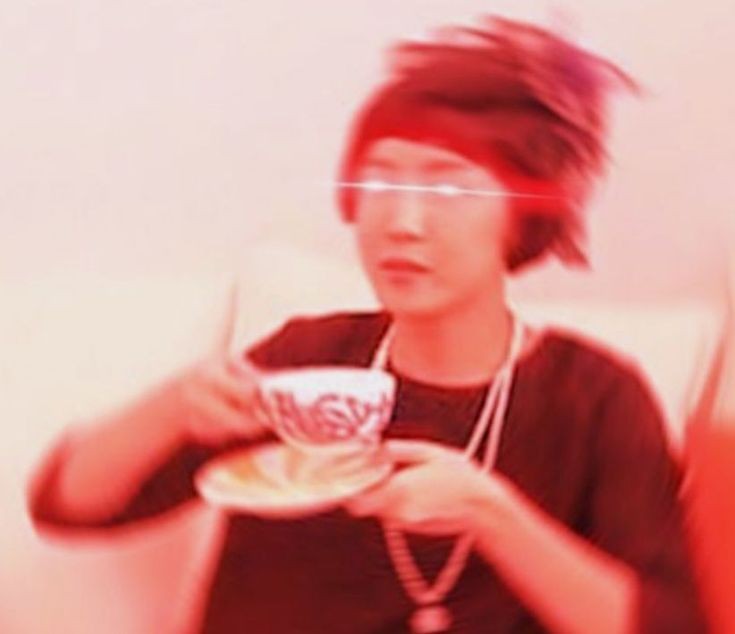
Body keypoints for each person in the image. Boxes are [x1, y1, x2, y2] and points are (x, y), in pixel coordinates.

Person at [27, 15, 708, 634]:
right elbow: (66, 505)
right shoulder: (304, 363)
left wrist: (491, 516)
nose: (403, 222)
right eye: (380, 181)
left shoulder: (593, 398)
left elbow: (668, 626)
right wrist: (173, 406)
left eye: (448, 187)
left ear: (522, 215)